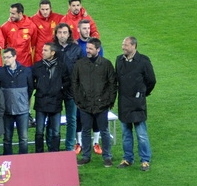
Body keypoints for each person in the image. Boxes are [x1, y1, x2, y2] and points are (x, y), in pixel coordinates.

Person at [73, 38, 117, 167]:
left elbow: (112, 84)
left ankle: (107, 156)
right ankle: (86, 156)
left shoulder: (106, 64)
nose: (88, 50)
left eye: (91, 48)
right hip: (84, 105)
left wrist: (110, 101)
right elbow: (74, 83)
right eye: (87, 48)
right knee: (86, 130)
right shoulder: (80, 64)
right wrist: (78, 100)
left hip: (101, 105)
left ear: (98, 49)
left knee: (104, 131)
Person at [116, 37, 156, 171]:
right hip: (124, 103)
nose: (123, 47)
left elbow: (151, 81)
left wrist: (143, 93)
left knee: (141, 134)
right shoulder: (119, 60)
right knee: (126, 134)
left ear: (134, 46)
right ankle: (128, 158)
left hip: (137, 103)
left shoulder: (143, 61)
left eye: (126, 45)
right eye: (123, 45)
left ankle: (145, 160)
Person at [32, 43, 70, 152]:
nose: (42, 52)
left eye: (45, 50)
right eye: (42, 50)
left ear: (52, 53)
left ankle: (54, 154)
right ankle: (39, 154)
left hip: (56, 101)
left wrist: (60, 87)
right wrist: (39, 86)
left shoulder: (61, 66)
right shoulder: (37, 66)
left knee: (56, 131)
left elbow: (67, 80)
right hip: (41, 101)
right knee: (39, 131)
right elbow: (31, 81)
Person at [0, 48, 33, 155]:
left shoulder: (26, 71)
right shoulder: (0, 72)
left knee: (24, 138)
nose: (6, 60)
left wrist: (22, 100)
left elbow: (30, 88)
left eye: (8, 57)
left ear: (15, 57)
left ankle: (24, 160)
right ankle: (8, 159)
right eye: (4, 57)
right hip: (7, 110)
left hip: (22, 110)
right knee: (7, 138)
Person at [54, 23, 83, 151]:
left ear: (69, 34)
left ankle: (70, 147)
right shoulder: (52, 48)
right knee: (54, 119)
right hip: (55, 89)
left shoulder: (76, 49)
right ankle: (53, 146)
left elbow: (82, 69)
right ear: (56, 34)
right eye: (59, 32)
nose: (62, 35)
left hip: (72, 89)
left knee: (72, 119)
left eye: (65, 32)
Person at [2, 2, 37, 67]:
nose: (11, 15)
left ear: (20, 13)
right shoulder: (5, 27)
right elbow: (3, 44)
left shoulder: (31, 26)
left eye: (13, 14)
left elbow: (33, 44)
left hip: (26, 64)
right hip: (11, 63)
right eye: (10, 13)